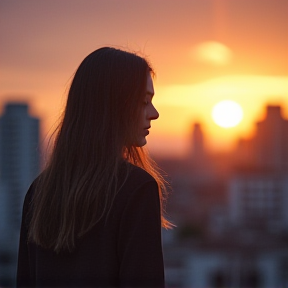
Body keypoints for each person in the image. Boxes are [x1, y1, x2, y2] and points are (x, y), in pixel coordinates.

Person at [16, 47, 172, 288]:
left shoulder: (38, 191)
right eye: (144, 102)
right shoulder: (136, 189)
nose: (155, 113)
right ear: (114, 107)